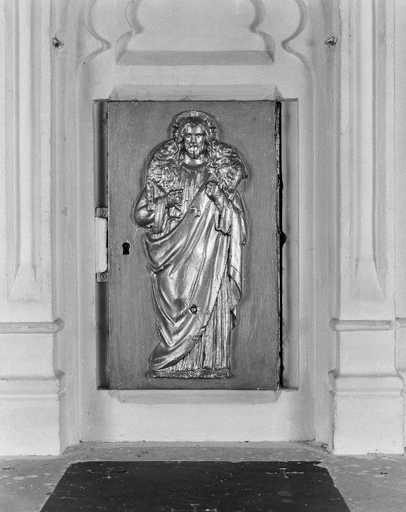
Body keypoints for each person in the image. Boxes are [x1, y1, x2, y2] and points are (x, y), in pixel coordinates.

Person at [134, 110, 247, 378]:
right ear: (180, 140)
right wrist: (164, 204)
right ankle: (174, 361)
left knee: (210, 305)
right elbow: (141, 214)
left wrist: (220, 199)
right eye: (188, 136)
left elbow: (237, 221)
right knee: (179, 305)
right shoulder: (166, 174)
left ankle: (210, 363)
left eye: (199, 135)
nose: (194, 141)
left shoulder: (219, 175)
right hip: (174, 256)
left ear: (207, 139)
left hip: (212, 258)